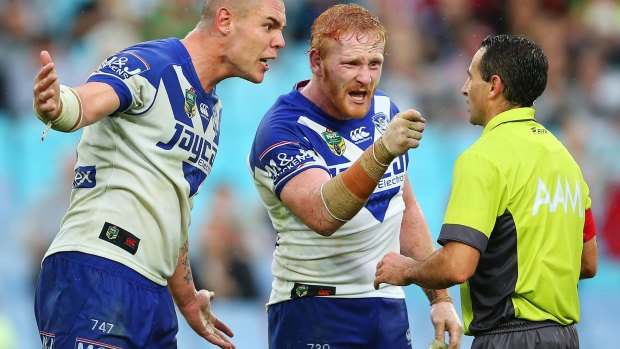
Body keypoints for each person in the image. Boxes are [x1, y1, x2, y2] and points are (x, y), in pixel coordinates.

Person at [31, 1, 286, 348]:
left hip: (152, 293)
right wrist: (57, 105)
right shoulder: (151, 63)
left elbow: (176, 213)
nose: (280, 41)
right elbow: (86, 101)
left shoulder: (211, 110)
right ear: (225, 20)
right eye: (269, 26)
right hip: (98, 268)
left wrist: (186, 298)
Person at [248, 4, 463, 349]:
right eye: (351, 64)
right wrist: (381, 152)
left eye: (374, 64)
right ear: (316, 62)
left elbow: (403, 207)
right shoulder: (282, 129)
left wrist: (440, 300)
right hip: (314, 309)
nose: (366, 77)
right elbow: (323, 215)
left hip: (387, 308)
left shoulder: (384, 111)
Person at [374, 34, 599, 349]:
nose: (464, 88)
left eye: (470, 77)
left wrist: (407, 270)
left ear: (494, 86)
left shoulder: (482, 159)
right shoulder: (567, 162)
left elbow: (457, 265)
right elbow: (587, 263)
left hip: (507, 337)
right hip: (564, 338)